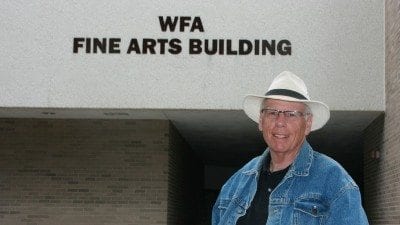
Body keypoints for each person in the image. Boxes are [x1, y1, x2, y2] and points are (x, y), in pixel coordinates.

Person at [212, 71, 369, 225]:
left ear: (307, 124)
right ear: (261, 121)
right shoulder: (236, 183)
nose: (280, 121)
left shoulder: (335, 182)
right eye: (272, 112)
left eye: (291, 114)